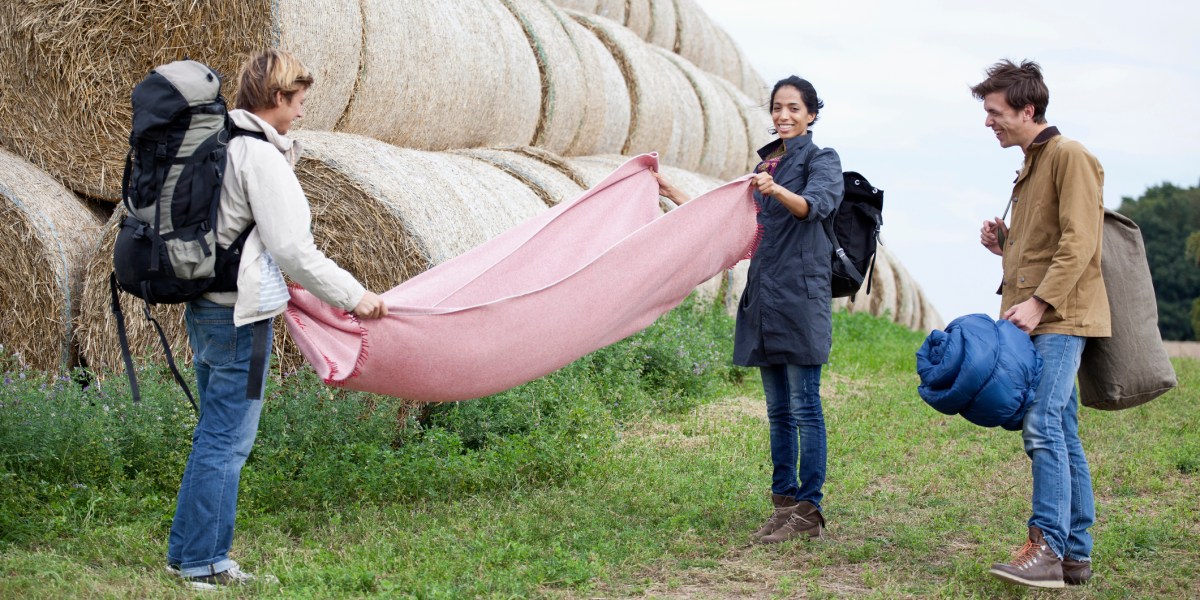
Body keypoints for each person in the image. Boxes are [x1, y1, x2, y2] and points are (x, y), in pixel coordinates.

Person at [165, 49, 388, 591]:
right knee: (227, 440)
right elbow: (292, 249)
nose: (304, 111)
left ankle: (194, 554)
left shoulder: (220, 143)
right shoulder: (259, 156)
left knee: (213, 434)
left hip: (207, 306)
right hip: (241, 319)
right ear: (276, 99)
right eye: (300, 101)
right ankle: (201, 563)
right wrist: (354, 296)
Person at [657, 76, 843, 543]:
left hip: (801, 299)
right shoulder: (766, 164)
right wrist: (667, 188)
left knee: (805, 407)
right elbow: (730, 223)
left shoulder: (823, 161)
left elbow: (814, 207)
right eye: (778, 107)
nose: (784, 115)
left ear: (812, 114)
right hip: (764, 297)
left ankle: (810, 509)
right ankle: (783, 506)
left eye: (794, 108)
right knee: (778, 410)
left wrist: (776, 189)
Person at [973, 59, 1110, 589]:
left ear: (1027, 109)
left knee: (1042, 424)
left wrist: (1039, 304)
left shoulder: (1069, 155)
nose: (989, 122)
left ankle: (1047, 546)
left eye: (995, 112)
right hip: (1042, 315)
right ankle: (1074, 554)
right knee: (1062, 428)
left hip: (1058, 317)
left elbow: (1082, 241)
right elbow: (1049, 246)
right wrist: (1004, 245)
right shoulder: (1033, 163)